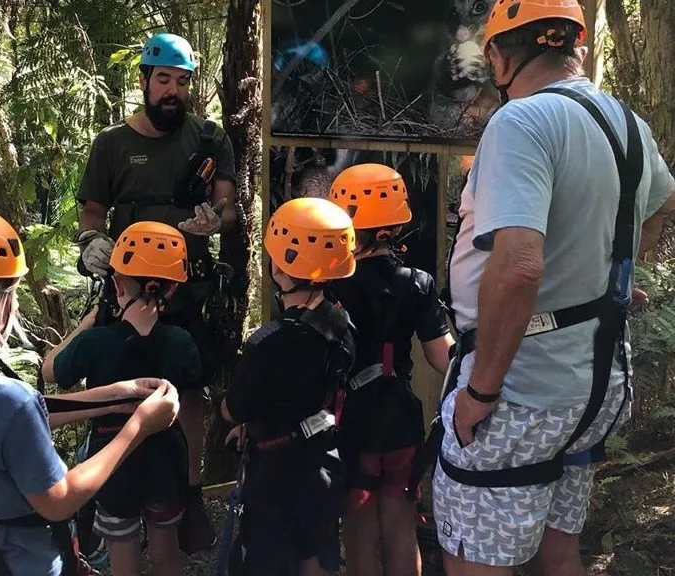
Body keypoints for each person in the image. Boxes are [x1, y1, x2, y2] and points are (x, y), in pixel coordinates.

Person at [433, 0, 675, 576]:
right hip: (592, 388)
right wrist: (607, 276)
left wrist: (481, 390)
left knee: (473, 562)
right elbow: (664, 207)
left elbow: (517, 267)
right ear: (577, 48)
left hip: (520, 392)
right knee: (556, 549)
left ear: (502, 56)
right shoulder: (627, 125)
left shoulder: (521, 123)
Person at [0, 201, 181, 576]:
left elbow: (5, 420)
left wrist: (114, 397)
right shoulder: (9, 401)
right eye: (10, 296)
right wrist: (139, 427)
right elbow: (59, 501)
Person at [74, 31, 236, 551]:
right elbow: (92, 211)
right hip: (125, 288)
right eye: (163, 79)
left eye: (183, 82)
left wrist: (216, 220)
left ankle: (185, 492)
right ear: (143, 81)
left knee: (189, 387)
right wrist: (91, 242)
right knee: (119, 384)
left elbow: (230, 204)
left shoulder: (208, 139)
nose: (173, 91)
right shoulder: (112, 144)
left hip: (186, 286)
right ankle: (116, 489)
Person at [43, 221, 201, 576]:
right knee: (166, 555)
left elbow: (50, 371)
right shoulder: (181, 342)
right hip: (166, 461)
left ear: (116, 284)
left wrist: (86, 323)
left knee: (123, 561)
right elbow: (192, 388)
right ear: (172, 289)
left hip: (113, 465)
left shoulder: (94, 342)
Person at [326, 163, 454, 576]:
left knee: (360, 530)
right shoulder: (417, 283)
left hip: (353, 422)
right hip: (400, 418)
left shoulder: (332, 284)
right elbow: (442, 357)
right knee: (401, 527)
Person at [222, 197, 357, 576]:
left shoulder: (269, 342)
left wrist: (227, 411)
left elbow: (235, 408)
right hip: (323, 462)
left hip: (274, 477)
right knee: (318, 553)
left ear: (282, 267)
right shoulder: (343, 325)